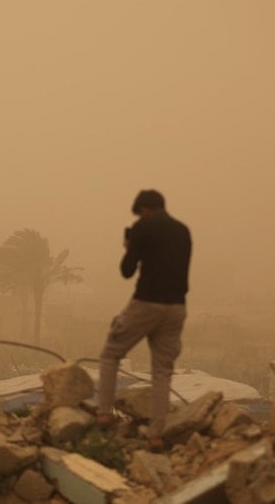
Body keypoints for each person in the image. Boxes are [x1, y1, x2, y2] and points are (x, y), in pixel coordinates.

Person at [96, 189, 192, 451]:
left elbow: (127, 271)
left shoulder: (142, 227)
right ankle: (155, 436)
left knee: (111, 353)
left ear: (145, 210)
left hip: (148, 302)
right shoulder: (183, 231)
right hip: (176, 307)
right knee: (162, 372)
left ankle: (104, 413)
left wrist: (130, 246)